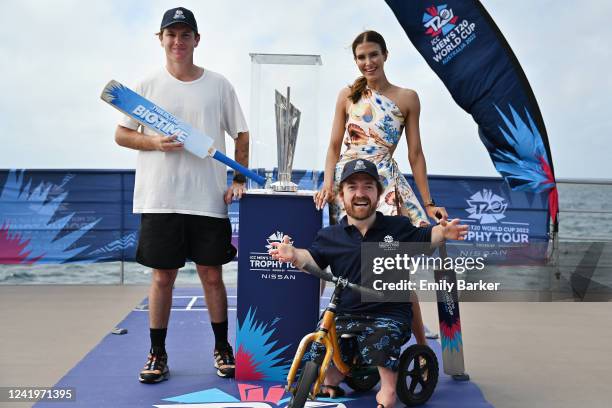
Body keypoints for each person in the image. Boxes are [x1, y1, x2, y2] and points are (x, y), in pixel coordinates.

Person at [114, 7, 248, 383]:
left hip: (207, 199)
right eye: (171, 34)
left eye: (185, 34)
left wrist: (238, 177)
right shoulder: (145, 87)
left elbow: (241, 133)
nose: (178, 41)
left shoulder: (219, 84)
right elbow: (122, 134)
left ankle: (223, 348)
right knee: (162, 279)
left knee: (211, 275)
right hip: (160, 198)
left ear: (196, 40)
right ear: (160, 39)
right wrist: (154, 141)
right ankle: (157, 354)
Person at [271, 159, 467, 408]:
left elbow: (426, 238)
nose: (360, 193)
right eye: (352, 187)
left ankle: (387, 391)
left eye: (368, 187)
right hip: (345, 314)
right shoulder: (330, 236)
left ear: (379, 194)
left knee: (380, 340)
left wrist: (444, 233)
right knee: (323, 343)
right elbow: (311, 259)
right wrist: (293, 254)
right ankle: (332, 378)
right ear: (341, 195)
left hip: (388, 313)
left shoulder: (397, 228)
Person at [314, 30, 448, 347]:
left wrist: (429, 203)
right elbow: (334, 146)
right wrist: (328, 184)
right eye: (361, 57)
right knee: (337, 260)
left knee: (391, 268)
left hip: (384, 186)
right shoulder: (347, 95)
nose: (368, 62)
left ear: (385, 55)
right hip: (348, 184)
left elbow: (415, 153)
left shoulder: (407, 97)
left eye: (373, 55)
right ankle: (318, 334)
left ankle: (420, 347)